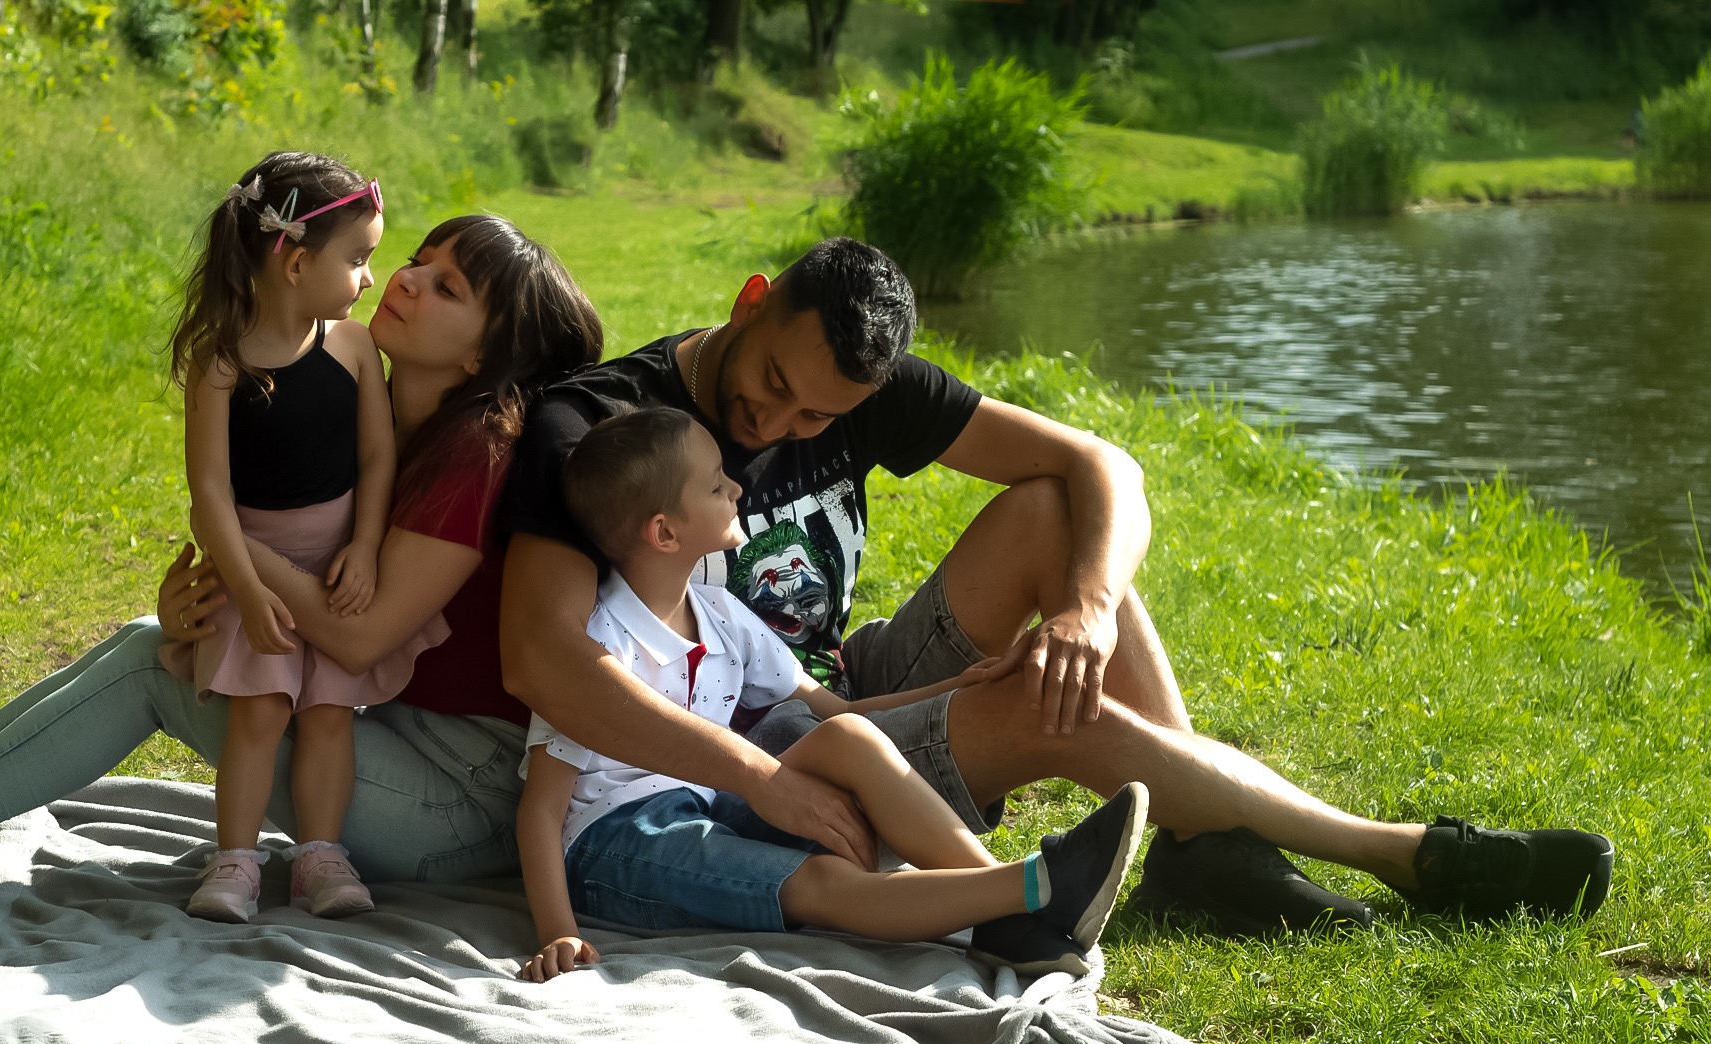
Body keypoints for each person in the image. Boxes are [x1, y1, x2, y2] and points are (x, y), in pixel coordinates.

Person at [497, 237, 1616, 931]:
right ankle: (1399, 853)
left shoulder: (864, 385)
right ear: (749, 303)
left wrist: (1080, 605)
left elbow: (1100, 464)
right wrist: (763, 775)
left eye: (815, 420)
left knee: (1058, 526)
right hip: (739, 750)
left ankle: (1205, 851)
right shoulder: (604, 428)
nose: (774, 431)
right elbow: (542, 656)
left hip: (838, 688)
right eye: (772, 389)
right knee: (1048, 702)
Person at [0, 213, 605, 899]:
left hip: (459, 805)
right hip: (389, 736)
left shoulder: (478, 453)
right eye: (416, 260)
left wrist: (241, 550)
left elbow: (355, 639)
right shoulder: (376, 410)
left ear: (481, 354)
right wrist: (210, 579)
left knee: (152, 666)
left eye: (445, 286)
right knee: (150, 634)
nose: (408, 280)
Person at [515, 408, 1149, 983]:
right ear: (664, 532)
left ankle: (1003, 902)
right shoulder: (599, 647)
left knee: (846, 739)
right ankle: (1032, 886)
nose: (736, 488)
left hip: (708, 799)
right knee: (820, 882)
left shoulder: (718, 613)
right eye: (715, 486)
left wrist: (959, 684)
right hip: (616, 845)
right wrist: (557, 932)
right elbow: (542, 809)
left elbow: (837, 713)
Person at [167, 151, 441, 922]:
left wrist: (365, 543)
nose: (368, 279)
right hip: (253, 568)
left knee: (328, 715)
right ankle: (236, 861)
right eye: (357, 259)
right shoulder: (219, 363)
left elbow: (378, 456)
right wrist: (249, 594)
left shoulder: (353, 349)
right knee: (259, 712)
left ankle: (320, 856)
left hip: (338, 567)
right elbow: (210, 493)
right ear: (293, 261)